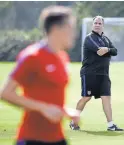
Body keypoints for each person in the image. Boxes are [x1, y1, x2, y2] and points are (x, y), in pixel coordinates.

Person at [0, 6, 79, 145]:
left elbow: (50, 97)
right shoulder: (32, 56)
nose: (74, 34)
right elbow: (5, 93)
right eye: (70, 28)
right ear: (56, 29)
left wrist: (65, 111)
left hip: (58, 139)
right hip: (32, 139)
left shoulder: (63, 57)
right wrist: (43, 108)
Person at [70, 16, 124, 131]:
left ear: (102, 25)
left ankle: (111, 125)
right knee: (86, 97)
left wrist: (108, 50)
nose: (97, 25)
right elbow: (99, 51)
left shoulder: (106, 39)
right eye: (95, 23)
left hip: (103, 74)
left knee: (106, 98)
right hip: (90, 73)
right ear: (92, 25)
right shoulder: (89, 38)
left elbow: (115, 51)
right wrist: (107, 50)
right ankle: (73, 122)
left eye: (100, 23)